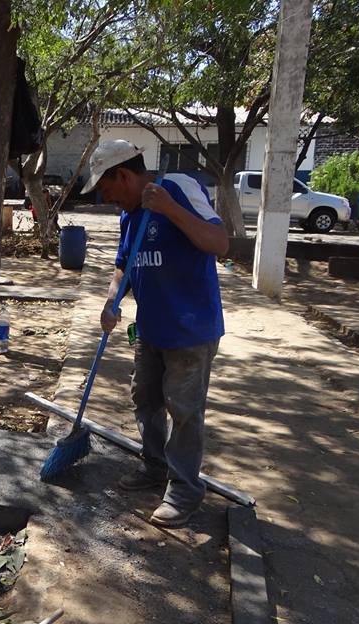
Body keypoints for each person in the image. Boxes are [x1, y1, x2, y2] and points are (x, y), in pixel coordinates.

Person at [85, 139, 229, 528]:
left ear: (124, 175)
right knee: (144, 398)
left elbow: (219, 242)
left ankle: (184, 489)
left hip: (190, 330)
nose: (105, 196)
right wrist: (112, 300)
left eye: (107, 187)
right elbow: (123, 266)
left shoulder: (179, 188)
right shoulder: (130, 215)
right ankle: (154, 465)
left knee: (184, 411)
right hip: (151, 328)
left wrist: (169, 209)